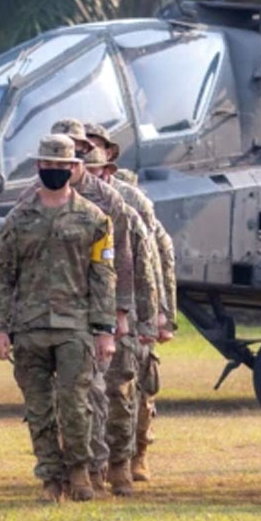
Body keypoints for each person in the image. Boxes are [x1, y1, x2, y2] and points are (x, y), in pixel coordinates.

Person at [0, 135, 117, 503]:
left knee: (76, 405)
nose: (56, 172)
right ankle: (50, 478)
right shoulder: (18, 220)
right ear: (38, 167)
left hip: (75, 326)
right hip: (28, 327)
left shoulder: (96, 220)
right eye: (50, 166)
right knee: (39, 409)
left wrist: (105, 329)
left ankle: (79, 471)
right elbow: (1, 276)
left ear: (74, 168)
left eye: (64, 167)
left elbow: (103, 277)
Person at [44, 119, 134, 493]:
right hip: (47, 313)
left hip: (94, 311)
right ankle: (69, 470)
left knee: (99, 391)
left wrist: (120, 313)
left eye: (80, 147)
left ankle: (106, 466)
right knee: (58, 396)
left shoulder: (108, 199)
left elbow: (125, 258)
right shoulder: (35, 197)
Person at [86, 122, 175, 481]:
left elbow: (154, 256)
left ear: (108, 154)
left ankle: (136, 453)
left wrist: (160, 313)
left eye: (93, 147)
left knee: (133, 385)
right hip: (87, 307)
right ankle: (91, 460)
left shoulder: (130, 201)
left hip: (133, 304)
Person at [82, 147, 158, 495]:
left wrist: (150, 317)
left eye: (96, 169)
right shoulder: (61, 209)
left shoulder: (123, 208)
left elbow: (143, 266)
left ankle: (120, 463)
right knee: (83, 396)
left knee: (119, 393)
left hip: (120, 315)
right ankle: (90, 469)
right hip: (77, 314)